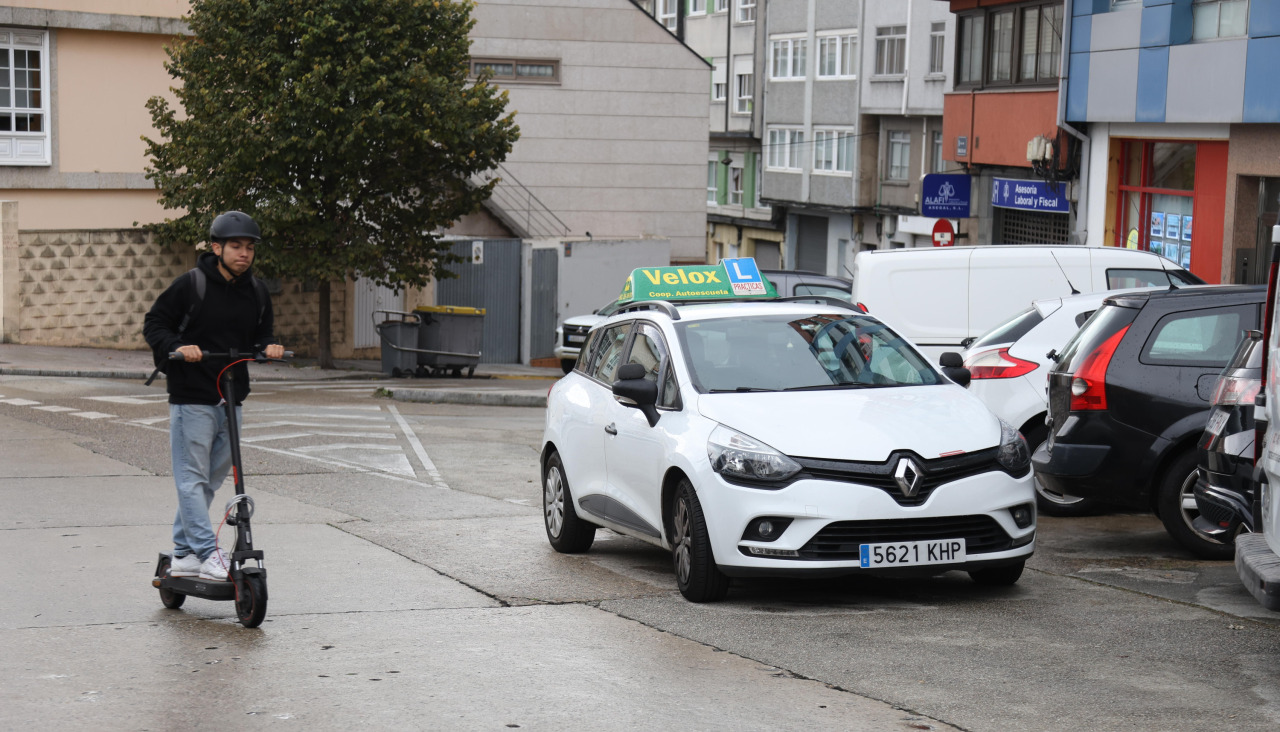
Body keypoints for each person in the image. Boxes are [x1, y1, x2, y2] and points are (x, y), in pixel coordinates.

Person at [143, 211, 285, 581]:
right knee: (190, 477)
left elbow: (262, 334)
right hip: (192, 394)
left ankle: (183, 552)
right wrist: (177, 346)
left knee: (211, 479)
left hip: (232, 394)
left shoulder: (256, 291)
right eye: (236, 246)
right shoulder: (191, 285)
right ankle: (208, 553)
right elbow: (155, 323)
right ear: (216, 247)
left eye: (249, 247)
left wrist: (268, 347)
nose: (244, 254)